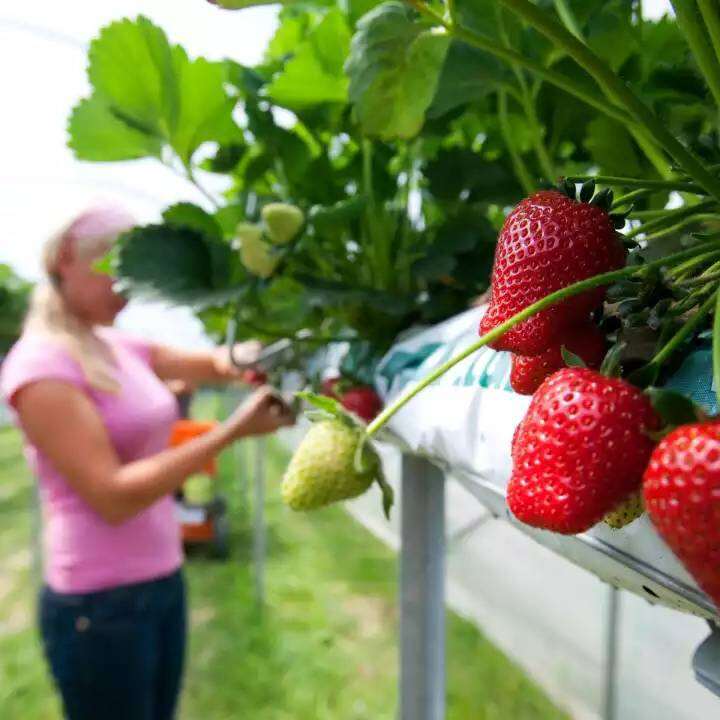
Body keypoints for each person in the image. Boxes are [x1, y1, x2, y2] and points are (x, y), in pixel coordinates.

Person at [0, 205, 294, 720]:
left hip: (162, 577)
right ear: (68, 259)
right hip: (100, 605)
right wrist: (233, 431)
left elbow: (216, 363)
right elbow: (112, 496)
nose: (128, 284)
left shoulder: (114, 344)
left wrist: (282, 340)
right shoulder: (40, 368)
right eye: (116, 266)